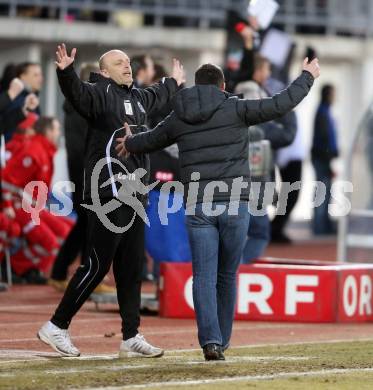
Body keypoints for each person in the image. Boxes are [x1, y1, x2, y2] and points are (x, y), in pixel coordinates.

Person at [117, 58, 320, 360]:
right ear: (223, 86)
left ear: (197, 85)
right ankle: (222, 342)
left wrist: (130, 142)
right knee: (227, 275)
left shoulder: (179, 114)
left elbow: (152, 139)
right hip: (236, 204)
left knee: (203, 277)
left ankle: (210, 342)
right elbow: (279, 105)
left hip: (198, 205)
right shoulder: (237, 108)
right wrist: (306, 76)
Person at [37, 43, 185, 358]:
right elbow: (77, 93)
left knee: (131, 268)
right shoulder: (99, 94)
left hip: (135, 195)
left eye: (128, 61)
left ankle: (131, 336)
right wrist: (66, 73)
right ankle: (56, 325)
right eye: (119, 63)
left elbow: (159, 95)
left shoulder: (138, 98)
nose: (127, 66)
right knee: (96, 263)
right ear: (105, 71)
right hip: (107, 193)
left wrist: (173, 82)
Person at [48, 63, 114, 294]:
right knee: (90, 223)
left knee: (85, 223)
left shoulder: (77, 107)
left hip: (84, 172)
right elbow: (81, 147)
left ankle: (61, 271)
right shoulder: (82, 107)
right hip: (86, 173)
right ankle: (87, 275)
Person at [235, 54, 297, 262]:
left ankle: (230, 272)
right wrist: (288, 108)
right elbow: (285, 135)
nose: (268, 74)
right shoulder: (254, 101)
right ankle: (236, 272)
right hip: (253, 184)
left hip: (233, 181)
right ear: (257, 71)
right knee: (259, 233)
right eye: (266, 69)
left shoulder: (233, 98)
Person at [1, 116, 71, 284]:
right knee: (50, 242)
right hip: (21, 207)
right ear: (47, 131)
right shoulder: (33, 151)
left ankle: (26, 267)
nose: (58, 133)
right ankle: (16, 266)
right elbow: (6, 180)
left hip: (33, 207)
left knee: (66, 233)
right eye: (56, 129)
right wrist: (8, 205)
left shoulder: (44, 150)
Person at [311, 84, 339, 235]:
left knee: (325, 191)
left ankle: (324, 225)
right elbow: (325, 137)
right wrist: (330, 156)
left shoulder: (325, 111)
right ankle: (320, 227)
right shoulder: (322, 112)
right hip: (322, 158)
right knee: (322, 191)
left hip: (323, 157)